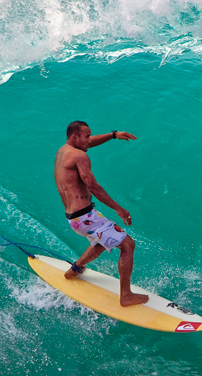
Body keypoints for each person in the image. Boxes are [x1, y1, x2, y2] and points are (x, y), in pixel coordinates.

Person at [54, 120, 149, 307]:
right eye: (87, 136)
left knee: (100, 242)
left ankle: (75, 268)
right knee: (128, 245)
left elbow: (88, 143)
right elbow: (93, 187)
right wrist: (118, 208)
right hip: (85, 216)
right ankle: (126, 296)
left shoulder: (63, 151)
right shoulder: (80, 157)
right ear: (75, 137)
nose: (90, 140)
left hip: (74, 217)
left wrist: (113, 135)